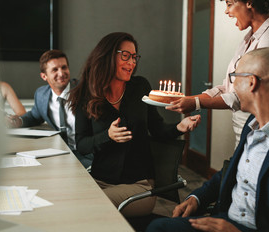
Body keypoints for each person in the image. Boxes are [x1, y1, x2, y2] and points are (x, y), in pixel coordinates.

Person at [144, 47, 269, 232]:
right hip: (225, 220)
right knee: (159, 230)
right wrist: (197, 198)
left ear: (251, 82)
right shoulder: (251, 123)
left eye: (234, 77)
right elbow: (233, 170)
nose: (231, 87)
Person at [68, 32, 201, 217]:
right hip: (99, 180)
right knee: (69, 202)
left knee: (90, 207)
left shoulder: (140, 87)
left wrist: (179, 127)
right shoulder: (85, 94)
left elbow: (157, 129)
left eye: (134, 57)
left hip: (139, 186)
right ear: (107, 56)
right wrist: (107, 136)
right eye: (126, 56)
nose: (132, 62)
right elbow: (82, 145)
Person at [166, 0, 269, 146]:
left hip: (261, 132)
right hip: (243, 131)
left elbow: (249, 95)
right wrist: (187, 100)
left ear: (249, 3)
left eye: (229, 3)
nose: (226, 11)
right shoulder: (248, 39)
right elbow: (228, 88)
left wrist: (195, 103)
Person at [7, 50, 92, 168]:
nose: (61, 73)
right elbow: (34, 116)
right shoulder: (42, 94)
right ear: (44, 76)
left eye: (64, 67)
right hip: (61, 154)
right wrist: (18, 121)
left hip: (88, 155)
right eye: (55, 70)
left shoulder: (85, 91)